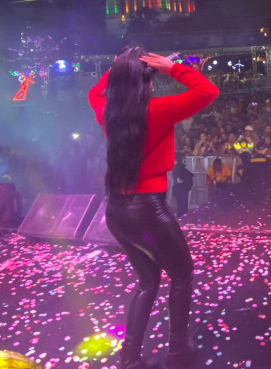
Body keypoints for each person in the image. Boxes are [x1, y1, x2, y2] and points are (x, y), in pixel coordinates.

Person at [88, 48, 219, 369]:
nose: (153, 87)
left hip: (117, 211)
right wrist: (171, 67)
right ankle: (177, 354)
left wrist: (120, 67)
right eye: (150, 82)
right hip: (147, 210)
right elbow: (207, 91)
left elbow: (94, 91)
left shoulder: (106, 111)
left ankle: (129, 359)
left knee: (148, 282)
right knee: (182, 276)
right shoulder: (157, 110)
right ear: (144, 85)